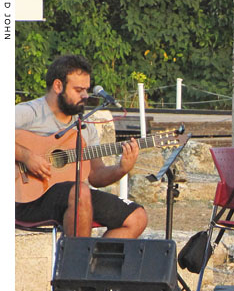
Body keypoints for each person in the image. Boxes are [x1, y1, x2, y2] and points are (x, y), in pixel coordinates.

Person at [15, 54, 147, 238]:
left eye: (86, 90)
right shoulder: (28, 113)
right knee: (80, 191)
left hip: (73, 197)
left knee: (136, 217)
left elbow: (96, 176)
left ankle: (89, 264)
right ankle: (75, 263)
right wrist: (26, 157)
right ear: (58, 86)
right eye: (78, 90)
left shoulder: (86, 127)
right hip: (23, 199)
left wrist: (121, 168)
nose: (85, 96)